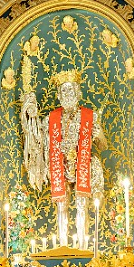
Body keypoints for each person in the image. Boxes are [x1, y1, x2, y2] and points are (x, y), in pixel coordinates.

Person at [22, 71, 106, 249]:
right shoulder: (50, 119)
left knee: (82, 204)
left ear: (78, 93)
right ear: (59, 96)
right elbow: (40, 141)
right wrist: (31, 116)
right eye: (64, 92)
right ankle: (63, 245)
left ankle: (82, 247)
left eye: (71, 91)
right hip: (59, 163)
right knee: (62, 205)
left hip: (82, 162)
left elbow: (103, 145)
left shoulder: (90, 116)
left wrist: (99, 137)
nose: (68, 96)